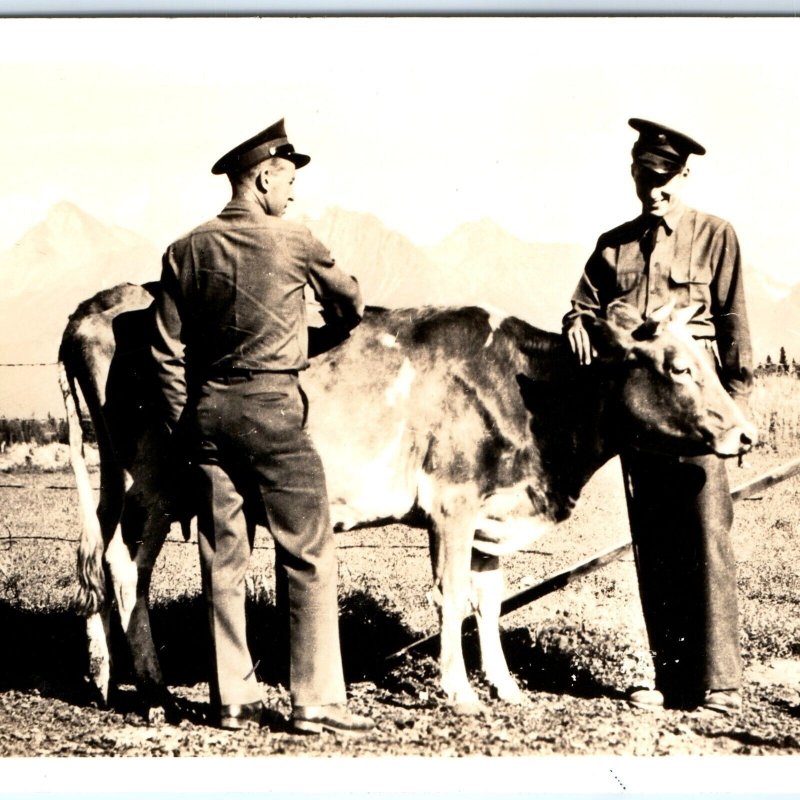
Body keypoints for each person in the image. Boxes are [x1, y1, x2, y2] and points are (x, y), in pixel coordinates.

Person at [151, 118, 374, 735]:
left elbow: (166, 353)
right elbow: (351, 302)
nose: (294, 192)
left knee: (224, 557)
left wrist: (186, 425)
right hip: (275, 410)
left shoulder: (183, 249)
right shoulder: (295, 240)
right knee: (307, 550)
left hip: (208, 414)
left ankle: (233, 701)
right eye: (290, 178)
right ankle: (315, 701)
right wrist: (314, 330)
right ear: (264, 175)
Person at [563, 118, 754, 715]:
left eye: (665, 180)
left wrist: (737, 408)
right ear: (634, 174)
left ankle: (719, 684)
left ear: (684, 174)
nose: (655, 192)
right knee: (656, 542)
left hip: (697, 410)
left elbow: (735, 331)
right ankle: (672, 680)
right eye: (646, 179)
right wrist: (576, 326)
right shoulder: (612, 244)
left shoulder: (715, 236)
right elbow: (582, 306)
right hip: (642, 417)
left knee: (704, 537)